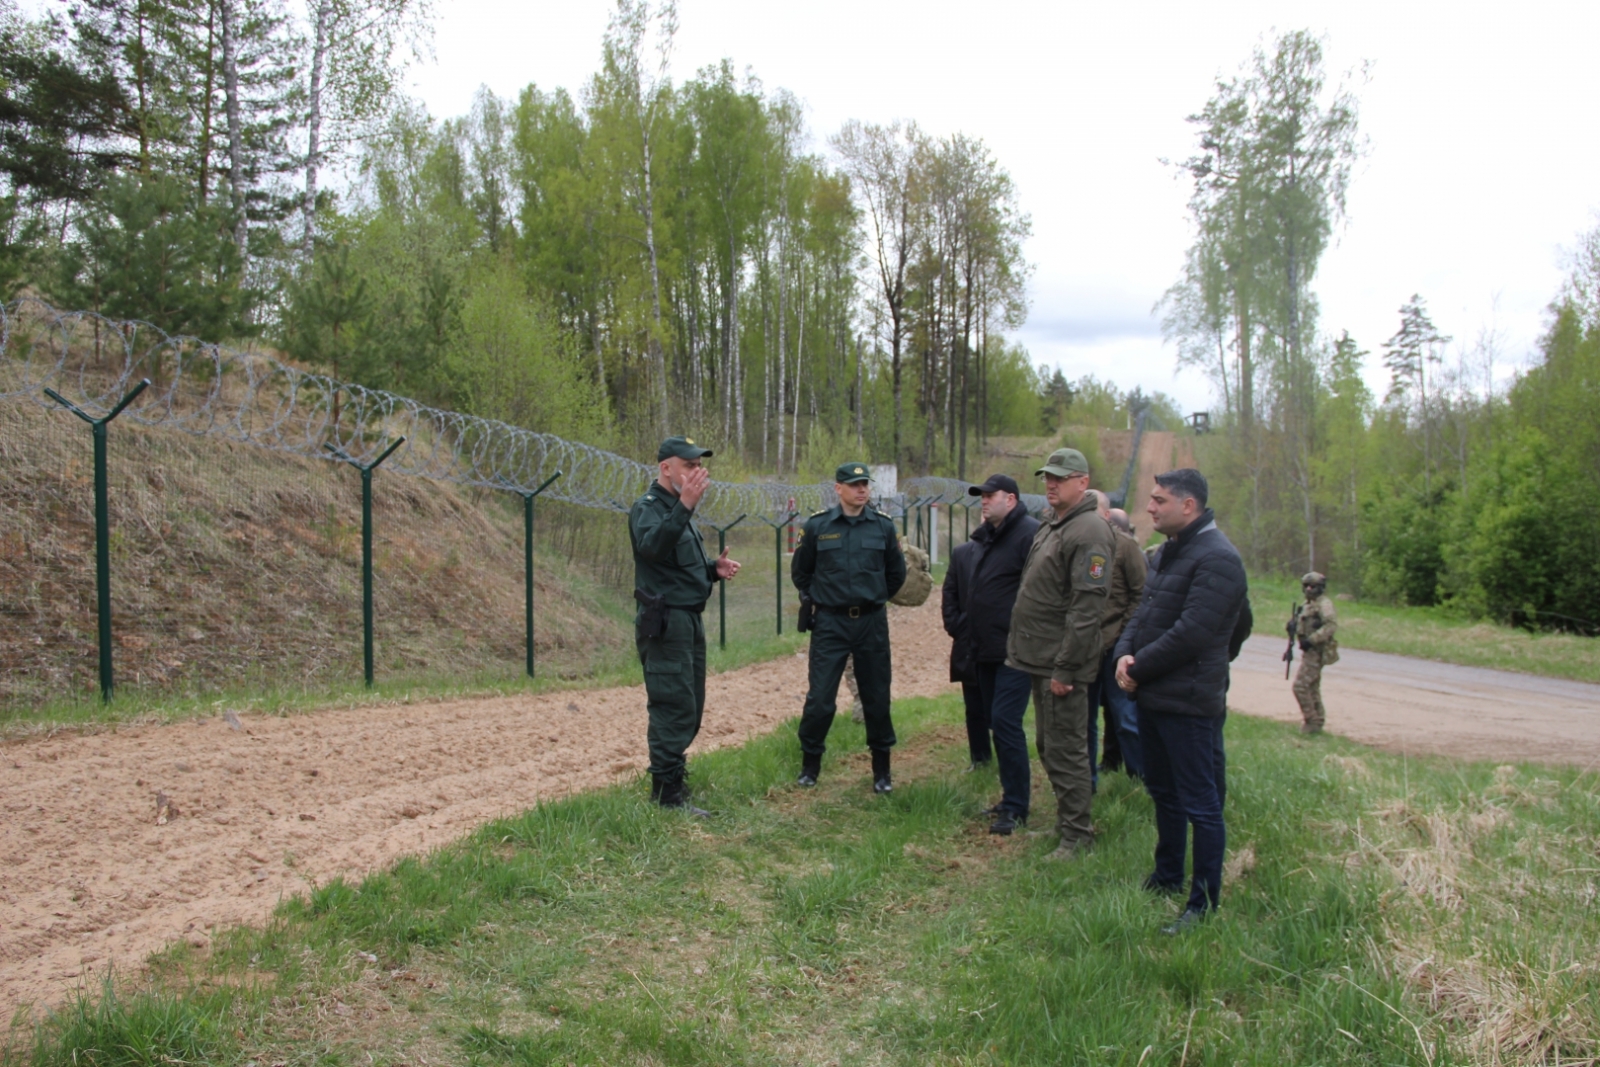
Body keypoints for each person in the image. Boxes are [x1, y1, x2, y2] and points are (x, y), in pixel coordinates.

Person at [1114, 468, 1248, 933]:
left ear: (1187, 506)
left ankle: (1203, 903)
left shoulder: (1218, 559)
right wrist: (1123, 654)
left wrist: (1138, 667)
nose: (1149, 507)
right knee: (1164, 792)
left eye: (1158, 500)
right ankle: (1167, 875)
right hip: (1155, 696)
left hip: (1189, 704)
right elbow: (1142, 613)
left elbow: (1194, 633)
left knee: (1201, 803)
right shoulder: (1170, 552)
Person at [1005, 448, 1113, 859]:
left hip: (1060, 663)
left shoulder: (1089, 531)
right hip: (1041, 656)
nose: (1050, 483)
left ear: (1082, 482)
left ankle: (1077, 836)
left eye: (1060, 477)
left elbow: (1087, 609)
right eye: (1048, 476)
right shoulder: (1057, 523)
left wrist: (1066, 668)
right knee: (1050, 745)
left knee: (1066, 748)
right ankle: (1066, 824)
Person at [629, 436, 741, 815]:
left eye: (698, 465)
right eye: (689, 465)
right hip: (666, 622)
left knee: (690, 705)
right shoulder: (648, 508)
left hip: (688, 620)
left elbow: (675, 566)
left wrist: (713, 568)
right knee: (671, 705)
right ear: (666, 468)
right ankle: (666, 796)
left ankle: (674, 782)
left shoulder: (678, 509)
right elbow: (652, 547)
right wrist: (685, 506)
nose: (697, 472)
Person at [792, 463, 908, 793]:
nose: (862, 489)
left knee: (876, 696)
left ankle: (882, 770)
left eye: (865, 484)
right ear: (838, 488)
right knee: (820, 699)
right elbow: (801, 572)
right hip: (830, 623)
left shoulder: (883, 528)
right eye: (855, 484)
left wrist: (874, 598)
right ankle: (810, 765)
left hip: (871, 622)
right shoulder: (817, 526)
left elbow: (896, 575)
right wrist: (819, 599)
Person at [943, 474, 1041, 835]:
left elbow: (1038, 589)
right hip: (982, 647)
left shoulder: (1028, 534)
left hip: (1014, 649)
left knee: (1005, 722)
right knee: (992, 721)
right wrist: (963, 628)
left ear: (1011, 499)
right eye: (981, 496)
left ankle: (1017, 806)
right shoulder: (986, 538)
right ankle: (1009, 796)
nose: (983, 501)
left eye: (990, 495)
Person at [1084, 491, 1147, 787]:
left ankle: (1141, 778)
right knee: (1083, 721)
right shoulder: (1078, 546)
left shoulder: (1125, 546)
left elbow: (1141, 594)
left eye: (1093, 509)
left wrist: (1125, 634)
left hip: (1116, 645)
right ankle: (1087, 782)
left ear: (1107, 514)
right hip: (1084, 645)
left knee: (1125, 717)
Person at [1291, 571, 1339, 734]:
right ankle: (1318, 720)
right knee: (1312, 686)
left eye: (1313, 586)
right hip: (1309, 651)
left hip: (1317, 651)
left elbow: (1331, 626)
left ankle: (1311, 720)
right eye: (1306, 586)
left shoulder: (1324, 605)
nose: (1309, 589)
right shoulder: (1307, 605)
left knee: (1300, 686)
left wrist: (1312, 640)